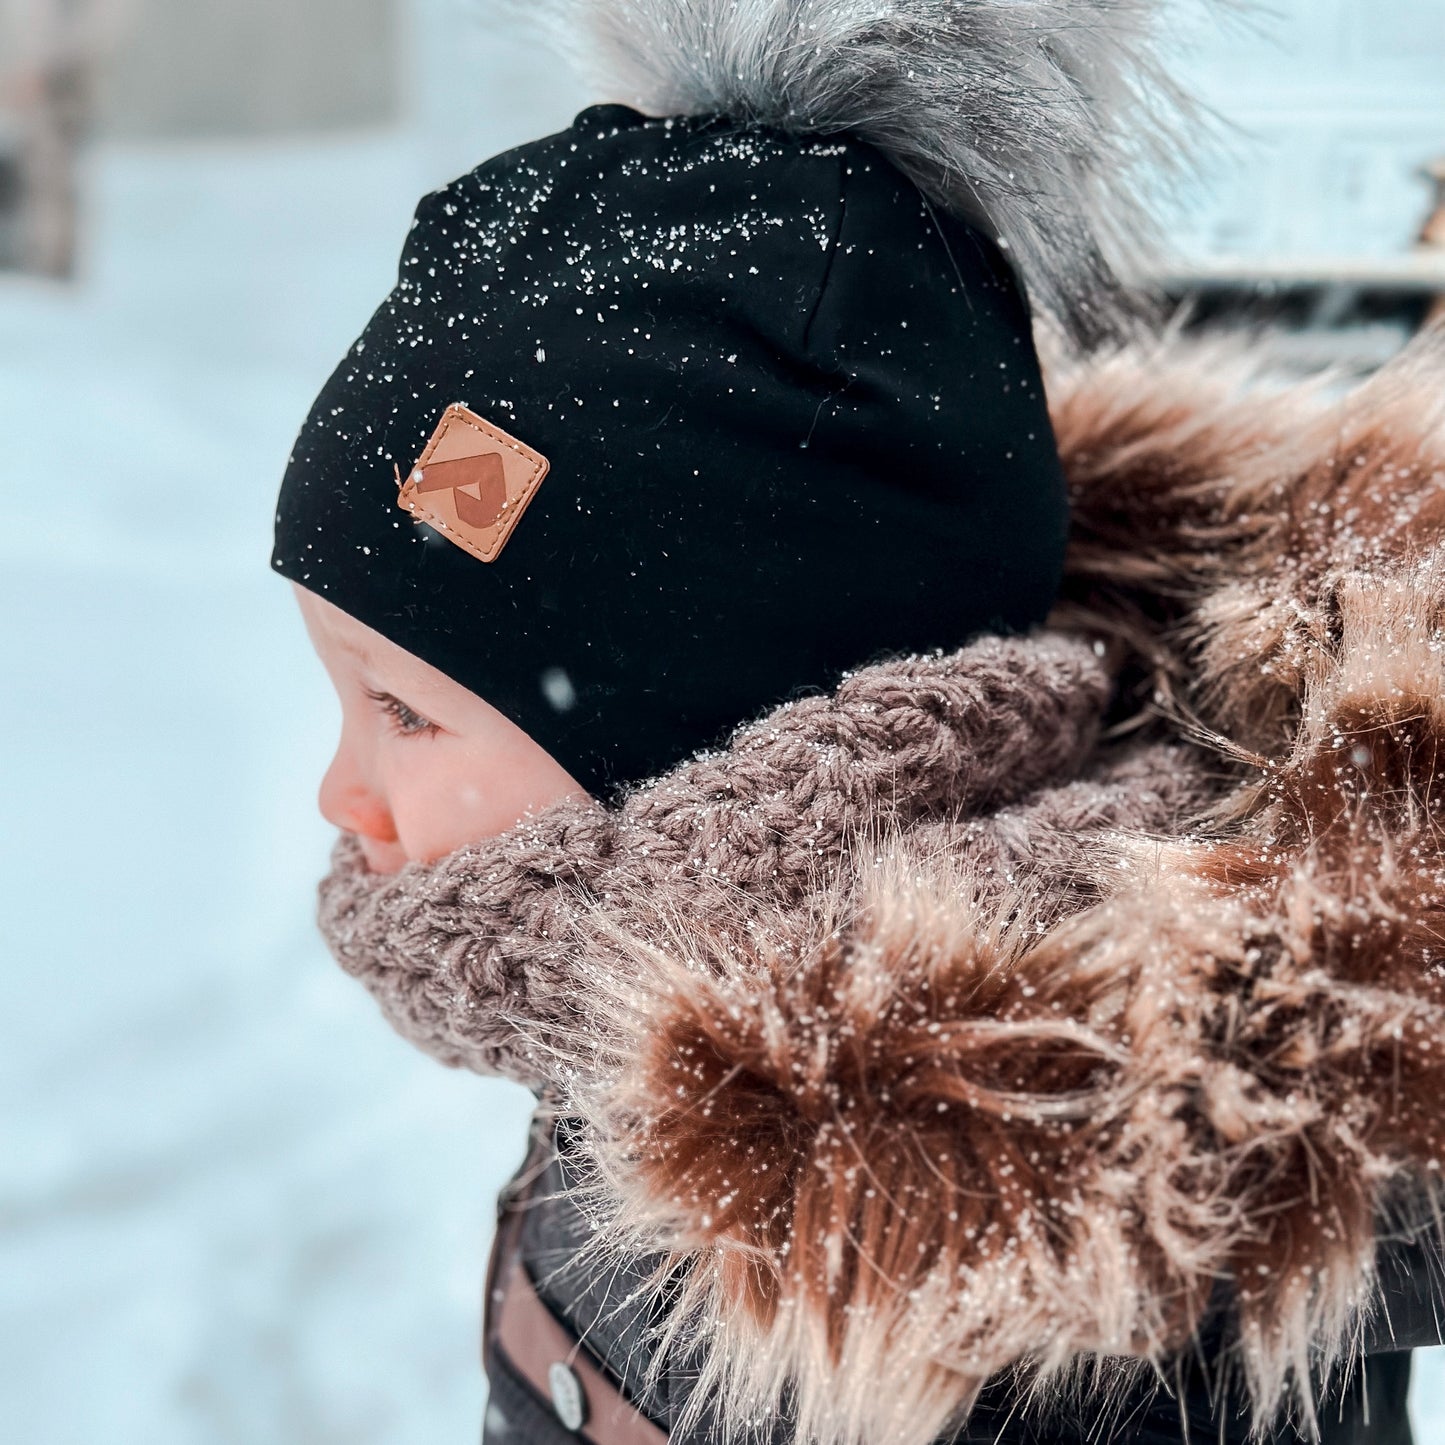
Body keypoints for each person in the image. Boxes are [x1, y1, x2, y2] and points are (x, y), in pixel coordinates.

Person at [272, 2, 1445, 1441]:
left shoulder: (1008, 1261)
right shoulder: (667, 976)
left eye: (403, 710)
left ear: (722, 733)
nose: (342, 789)